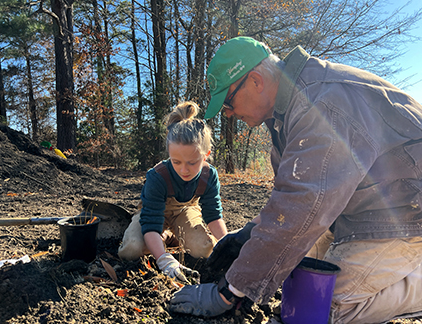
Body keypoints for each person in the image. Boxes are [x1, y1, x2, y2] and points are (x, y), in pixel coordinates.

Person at [169, 36, 422, 323]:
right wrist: (248, 234)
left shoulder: (321, 104)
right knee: (290, 271)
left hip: (405, 214)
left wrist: (229, 292)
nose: (229, 114)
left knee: (319, 308)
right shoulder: (286, 111)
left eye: (228, 102)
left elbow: (301, 207)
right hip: (357, 209)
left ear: (255, 81)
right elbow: (290, 196)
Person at [118, 101, 228, 282]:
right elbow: (151, 220)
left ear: (206, 155)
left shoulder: (209, 176)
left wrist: (226, 243)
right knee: (131, 249)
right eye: (176, 162)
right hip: (153, 214)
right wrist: (163, 260)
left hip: (185, 211)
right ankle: (164, 238)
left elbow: (214, 216)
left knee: (205, 249)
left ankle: (169, 236)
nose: (184, 170)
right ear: (169, 153)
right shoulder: (157, 176)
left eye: (192, 163)